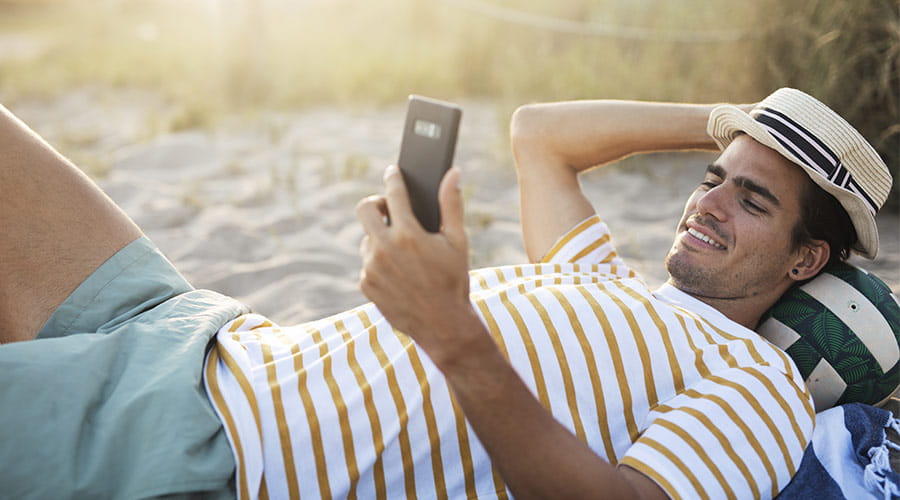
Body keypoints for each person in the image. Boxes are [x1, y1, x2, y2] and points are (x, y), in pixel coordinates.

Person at [0, 88, 892, 499]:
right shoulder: (603, 277)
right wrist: (744, 124)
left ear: (806, 259)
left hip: (218, 452)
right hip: (206, 333)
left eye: (752, 198)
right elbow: (538, 135)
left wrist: (450, 331)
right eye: (712, 177)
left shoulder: (758, 382)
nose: (707, 203)